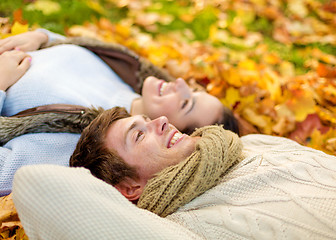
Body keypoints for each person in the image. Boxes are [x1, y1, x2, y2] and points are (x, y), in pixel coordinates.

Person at [12, 107, 336, 239]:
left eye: (147, 119)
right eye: (139, 135)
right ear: (129, 187)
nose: (163, 119)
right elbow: (36, 184)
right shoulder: (179, 227)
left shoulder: (247, 143)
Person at [0, 29, 239, 196]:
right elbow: (69, 45)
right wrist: (41, 37)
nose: (180, 84)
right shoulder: (128, 73)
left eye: (185, 104)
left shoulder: (93, 145)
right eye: (194, 89)